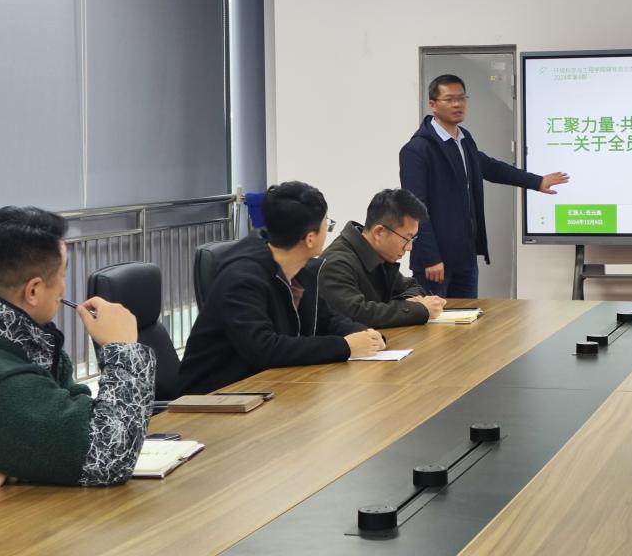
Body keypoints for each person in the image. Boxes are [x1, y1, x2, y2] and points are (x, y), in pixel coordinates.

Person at [177, 182, 384, 395]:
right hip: (215, 398)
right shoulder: (241, 278)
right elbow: (264, 348)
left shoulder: (301, 267)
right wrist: (345, 346)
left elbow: (326, 319)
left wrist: (364, 334)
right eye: (326, 224)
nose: (327, 230)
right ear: (310, 238)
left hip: (269, 387)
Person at [0, 206, 155, 486]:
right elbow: (105, 457)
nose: (63, 288)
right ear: (33, 291)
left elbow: (72, 417)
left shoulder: (30, 340)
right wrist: (123, 349)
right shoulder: (8, 378)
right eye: (62, 274)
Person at [399, 74, 569, 298]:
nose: (457, 104)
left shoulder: (464, 140)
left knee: (469, 317)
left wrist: (536, 181)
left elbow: (490, 167)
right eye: (449, 99)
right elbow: (415, 208)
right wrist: (430, 257)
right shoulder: (418, 149)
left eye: (461, 98)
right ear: (433, 104)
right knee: (435, 319)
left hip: (465, 258)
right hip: (435, 262)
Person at [319, 189, 446, 328]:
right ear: (379, 232)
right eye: (407, 238)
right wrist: (418, 309)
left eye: (413, 239)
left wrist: (409, 302)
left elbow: (412, 287)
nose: (410, 247)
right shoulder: (336, 263)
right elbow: (355, 314)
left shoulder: (378, 253)